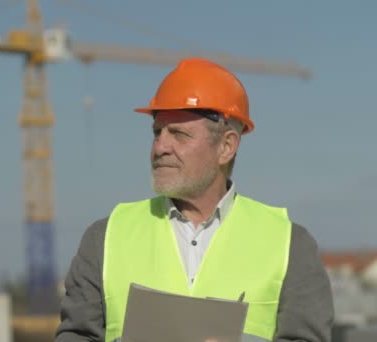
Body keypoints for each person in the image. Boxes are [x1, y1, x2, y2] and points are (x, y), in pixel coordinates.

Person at [56, 58, 333, 342]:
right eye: (157, 132)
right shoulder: (104, 238)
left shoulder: (290, 244)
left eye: (178, 133)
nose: (160, 147)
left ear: (226, 146)